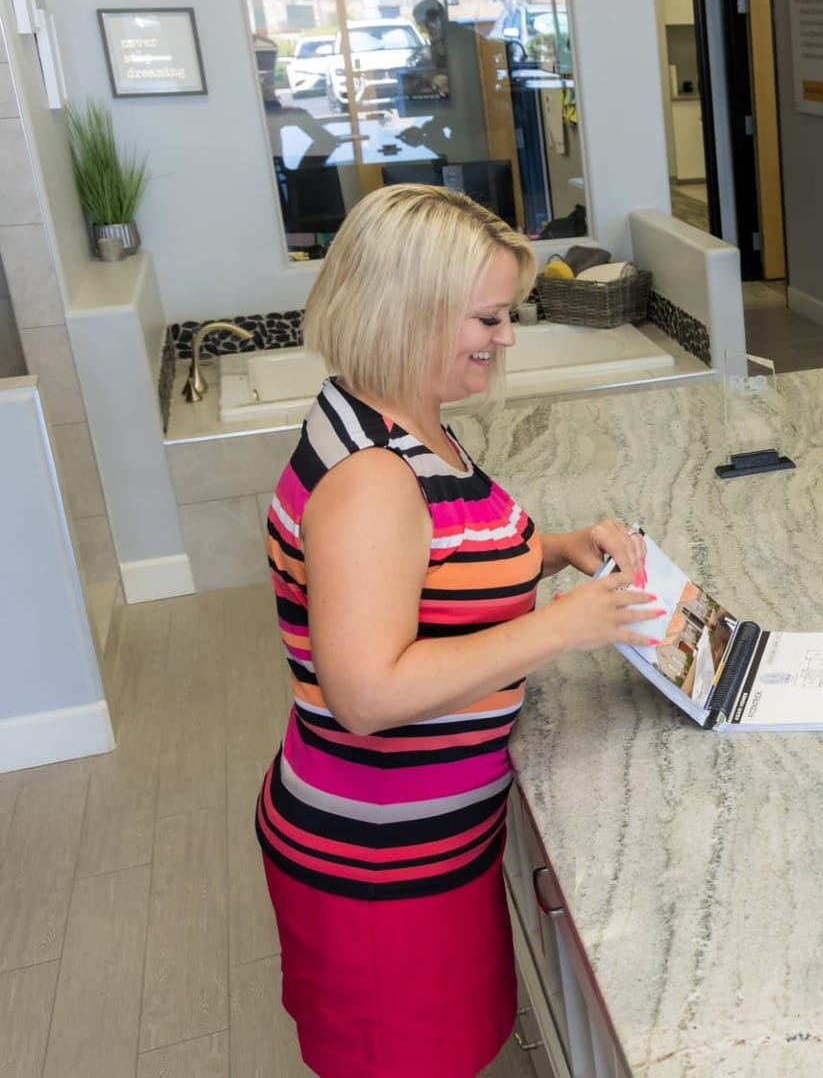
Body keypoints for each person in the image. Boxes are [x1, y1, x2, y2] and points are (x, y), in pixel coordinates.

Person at [253, 184, 661, 1076]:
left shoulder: (400, 415)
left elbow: (439, 561)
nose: (506, 337)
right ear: (407, 314)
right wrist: (563, 628)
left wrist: (556, 549)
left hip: (433, 839)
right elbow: (367, 695)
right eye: (488, 317)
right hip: (376, 863)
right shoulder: (370, 478)